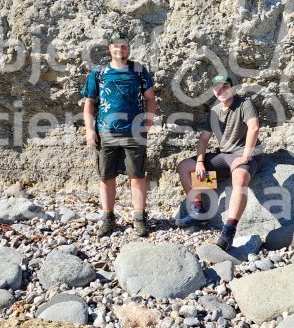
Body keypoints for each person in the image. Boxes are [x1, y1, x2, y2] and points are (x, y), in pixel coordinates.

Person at [175, 74, 263, 250]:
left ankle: (229, 230)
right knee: (185, 167)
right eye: (217, 88)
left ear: (232, 87)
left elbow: (254, 127)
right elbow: (203, 140)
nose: (221, 90)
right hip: (224, 155)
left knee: (239, 178)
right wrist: (200, 162)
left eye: (225, 86)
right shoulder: (215, 111)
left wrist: (246, 156)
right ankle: (199, 210)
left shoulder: (244, 104)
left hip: (243, 154)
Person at [82, 30, 156, 237]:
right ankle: (108, 218)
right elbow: (89, 103)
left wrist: (147, 122)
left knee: (137, 176)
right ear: (110, 48)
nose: (120, 49)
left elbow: (151, 98)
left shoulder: (139, 70)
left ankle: (140, 218)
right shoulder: (98, 72)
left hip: (134, 132)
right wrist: (89, 129)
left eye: (124, 46)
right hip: (105, 132)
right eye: (116, 45)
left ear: (128, 48)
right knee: (106, 177)